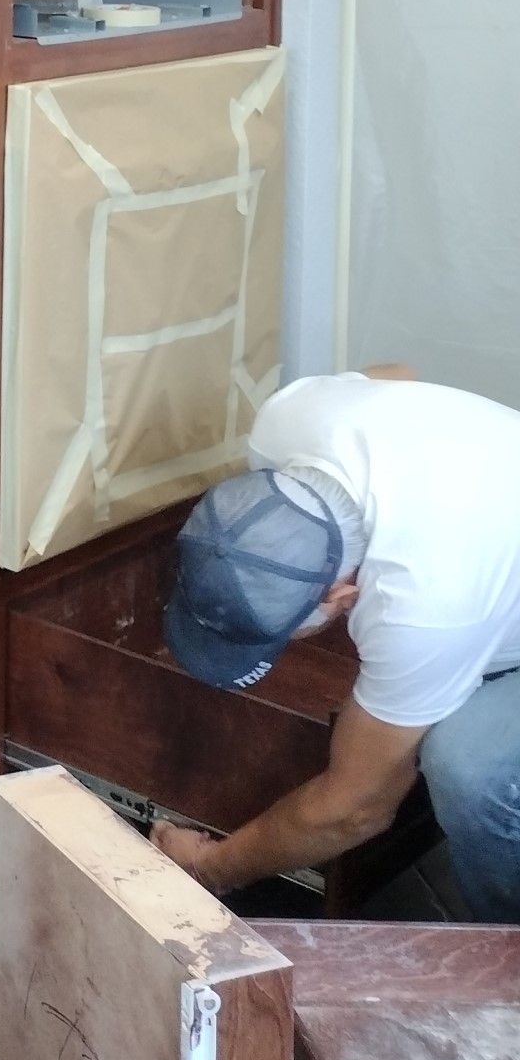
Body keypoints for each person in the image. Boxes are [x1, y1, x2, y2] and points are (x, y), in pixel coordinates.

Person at [151, 366, 520, 919]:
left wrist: (210, 868)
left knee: (470, 768)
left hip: (469, 577)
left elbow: (358, 808)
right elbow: (397, 374)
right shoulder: (288, 419)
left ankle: (501, 948)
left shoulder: (426, 603)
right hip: (485, 541)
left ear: (343, 595)